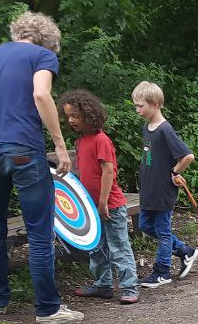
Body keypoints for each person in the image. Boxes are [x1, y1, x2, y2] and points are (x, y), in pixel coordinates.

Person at [0, 10, 83, 324]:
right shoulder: (42, 56)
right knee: (40, 232)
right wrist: (60, 145)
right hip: (22, 148)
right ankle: (48, 309)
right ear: (48, 41)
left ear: (17, 33)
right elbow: (41, 94)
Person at [59, 90, 139, 305]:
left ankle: (129, 287)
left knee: (118, 246)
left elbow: (108, 172)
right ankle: (103, 285)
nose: (71, 120)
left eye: (76, 115)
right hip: (90, 206)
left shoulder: (101, 140)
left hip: (110, 205)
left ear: (89, 115)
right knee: (96, 247)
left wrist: (103, 202)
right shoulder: (81, 141)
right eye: (68, 116)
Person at [131, 81, 198, 288]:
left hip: (162, 190)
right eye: (136, 106)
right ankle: (184, 250)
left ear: (155, 104)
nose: (137, 110)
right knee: (145, 225)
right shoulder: (147, 127)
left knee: (162, 232)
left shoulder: (165, 130)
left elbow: (187, 156)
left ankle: (162, 272)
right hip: (148, 189)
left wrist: (175, 172)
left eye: (140, 106)